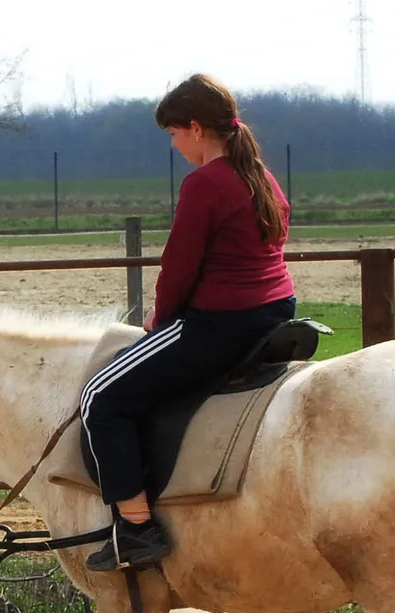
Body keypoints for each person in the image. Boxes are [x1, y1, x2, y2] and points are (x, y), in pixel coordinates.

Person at [80, 74, 297, 572]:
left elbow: (177, 271)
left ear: (196, 128)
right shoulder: (259, 174)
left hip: (221, 323)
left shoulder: (205, 184)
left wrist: (160, 325)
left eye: (175, 134)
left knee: (101, 397)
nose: (175, 145)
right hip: (276, 308)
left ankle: (136, 529)